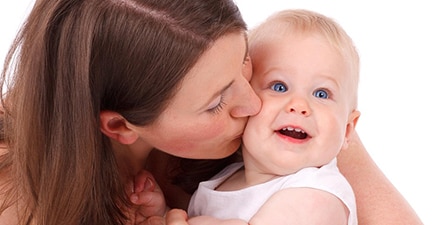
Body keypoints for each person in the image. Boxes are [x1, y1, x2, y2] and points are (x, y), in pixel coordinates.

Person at [0, 0, 423, 224]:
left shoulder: (296, 121)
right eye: (217, 102)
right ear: (119, 126)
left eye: (244, 62)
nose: (255, 102)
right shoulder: (19, 198)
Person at [138, 9, 360, 225]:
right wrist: (165, 214)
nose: (299, 106)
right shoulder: (224, 179)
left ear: (348, 130)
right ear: (246, 100)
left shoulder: (318, 194)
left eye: (321, 94)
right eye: (279, 87)